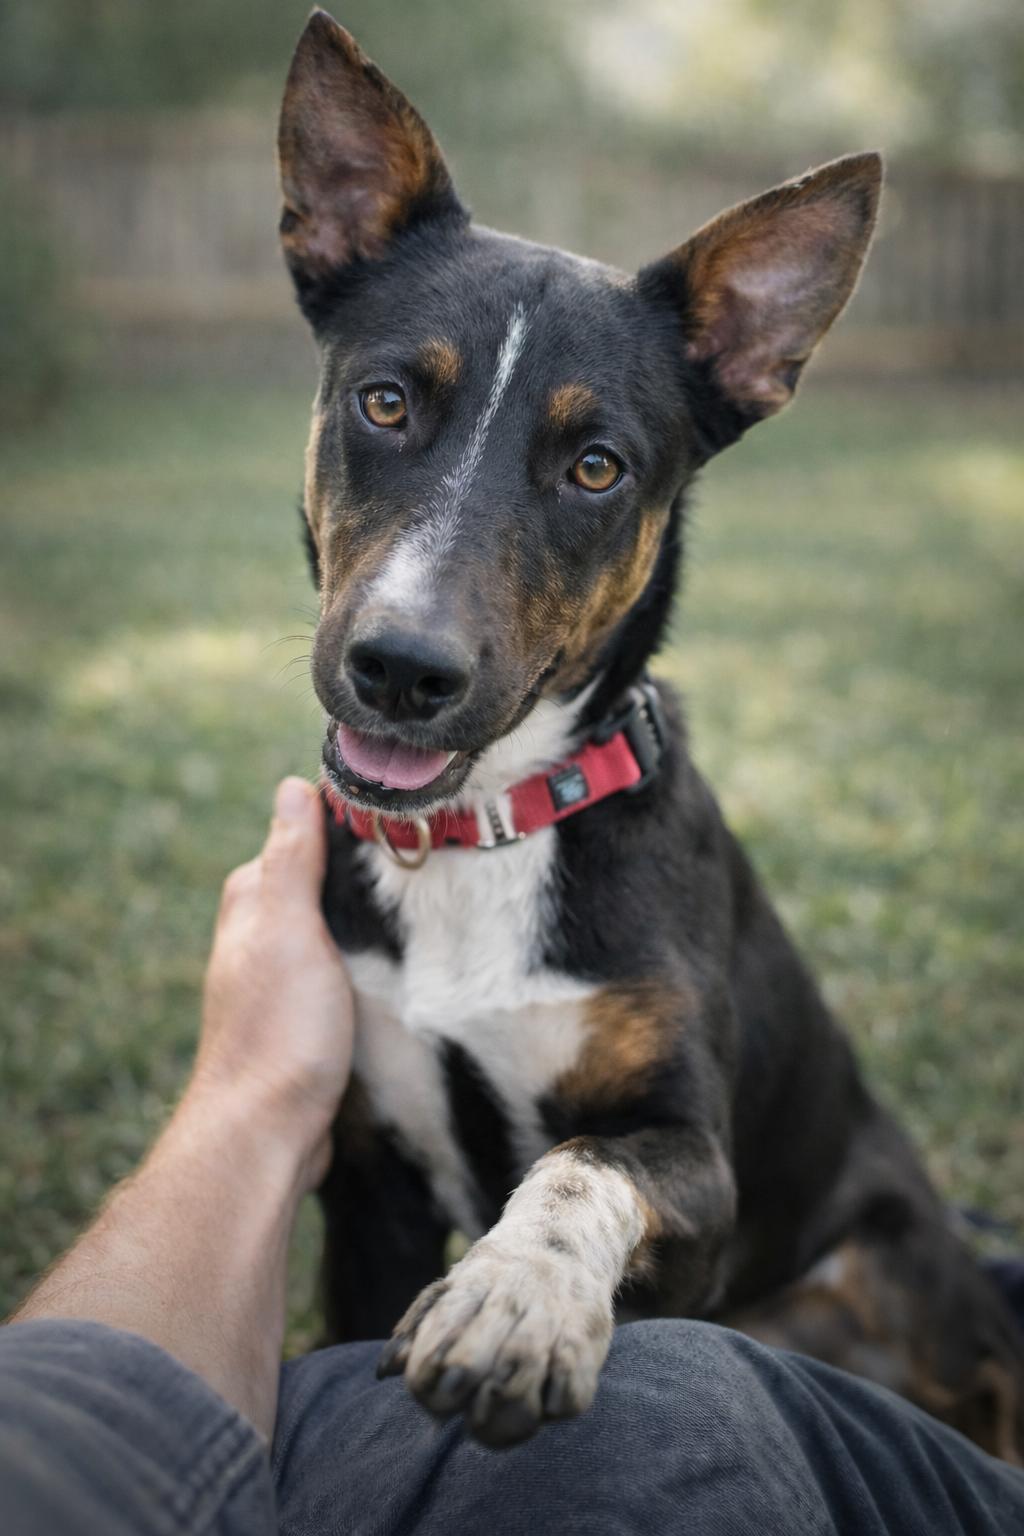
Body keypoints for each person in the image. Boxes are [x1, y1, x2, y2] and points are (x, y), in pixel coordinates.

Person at [2, 778, 1023, 1536]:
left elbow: (687, 1168)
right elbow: (372, 1227)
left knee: (955, 1348)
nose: (414, 614)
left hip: (816, 1251)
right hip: (649, 1384)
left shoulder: (657, 870)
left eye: (590, 470)